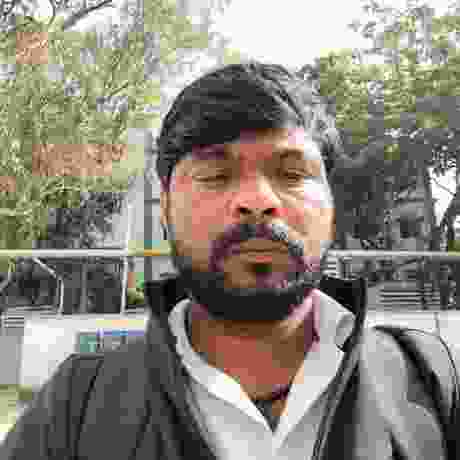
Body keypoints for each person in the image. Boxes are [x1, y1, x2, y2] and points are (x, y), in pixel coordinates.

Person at [2, 62, 459, 460]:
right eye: (215, 174)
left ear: (332, 206)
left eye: (292, 173)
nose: (257, 199)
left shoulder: (433, 382)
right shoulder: (77, 406)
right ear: (165, 210)